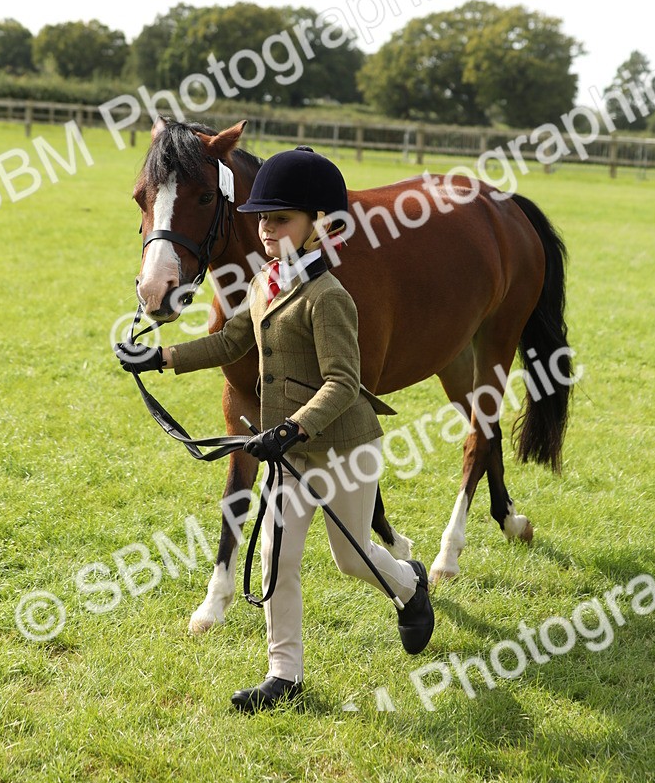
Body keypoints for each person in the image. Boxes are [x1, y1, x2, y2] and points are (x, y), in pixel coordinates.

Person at [116, 146, 434, 712]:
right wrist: (158, 359)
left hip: (342, 448)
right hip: (287, 452)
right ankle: (284, 673)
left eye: (280, 219)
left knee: (352, 559)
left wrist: (289, 430)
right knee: (275, 555)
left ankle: (409, 583)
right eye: (262, 218)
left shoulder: (329, 297)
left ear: (321, 227)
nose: (265, 230)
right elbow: (232, 341)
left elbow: (343, 383)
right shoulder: (266, 282)